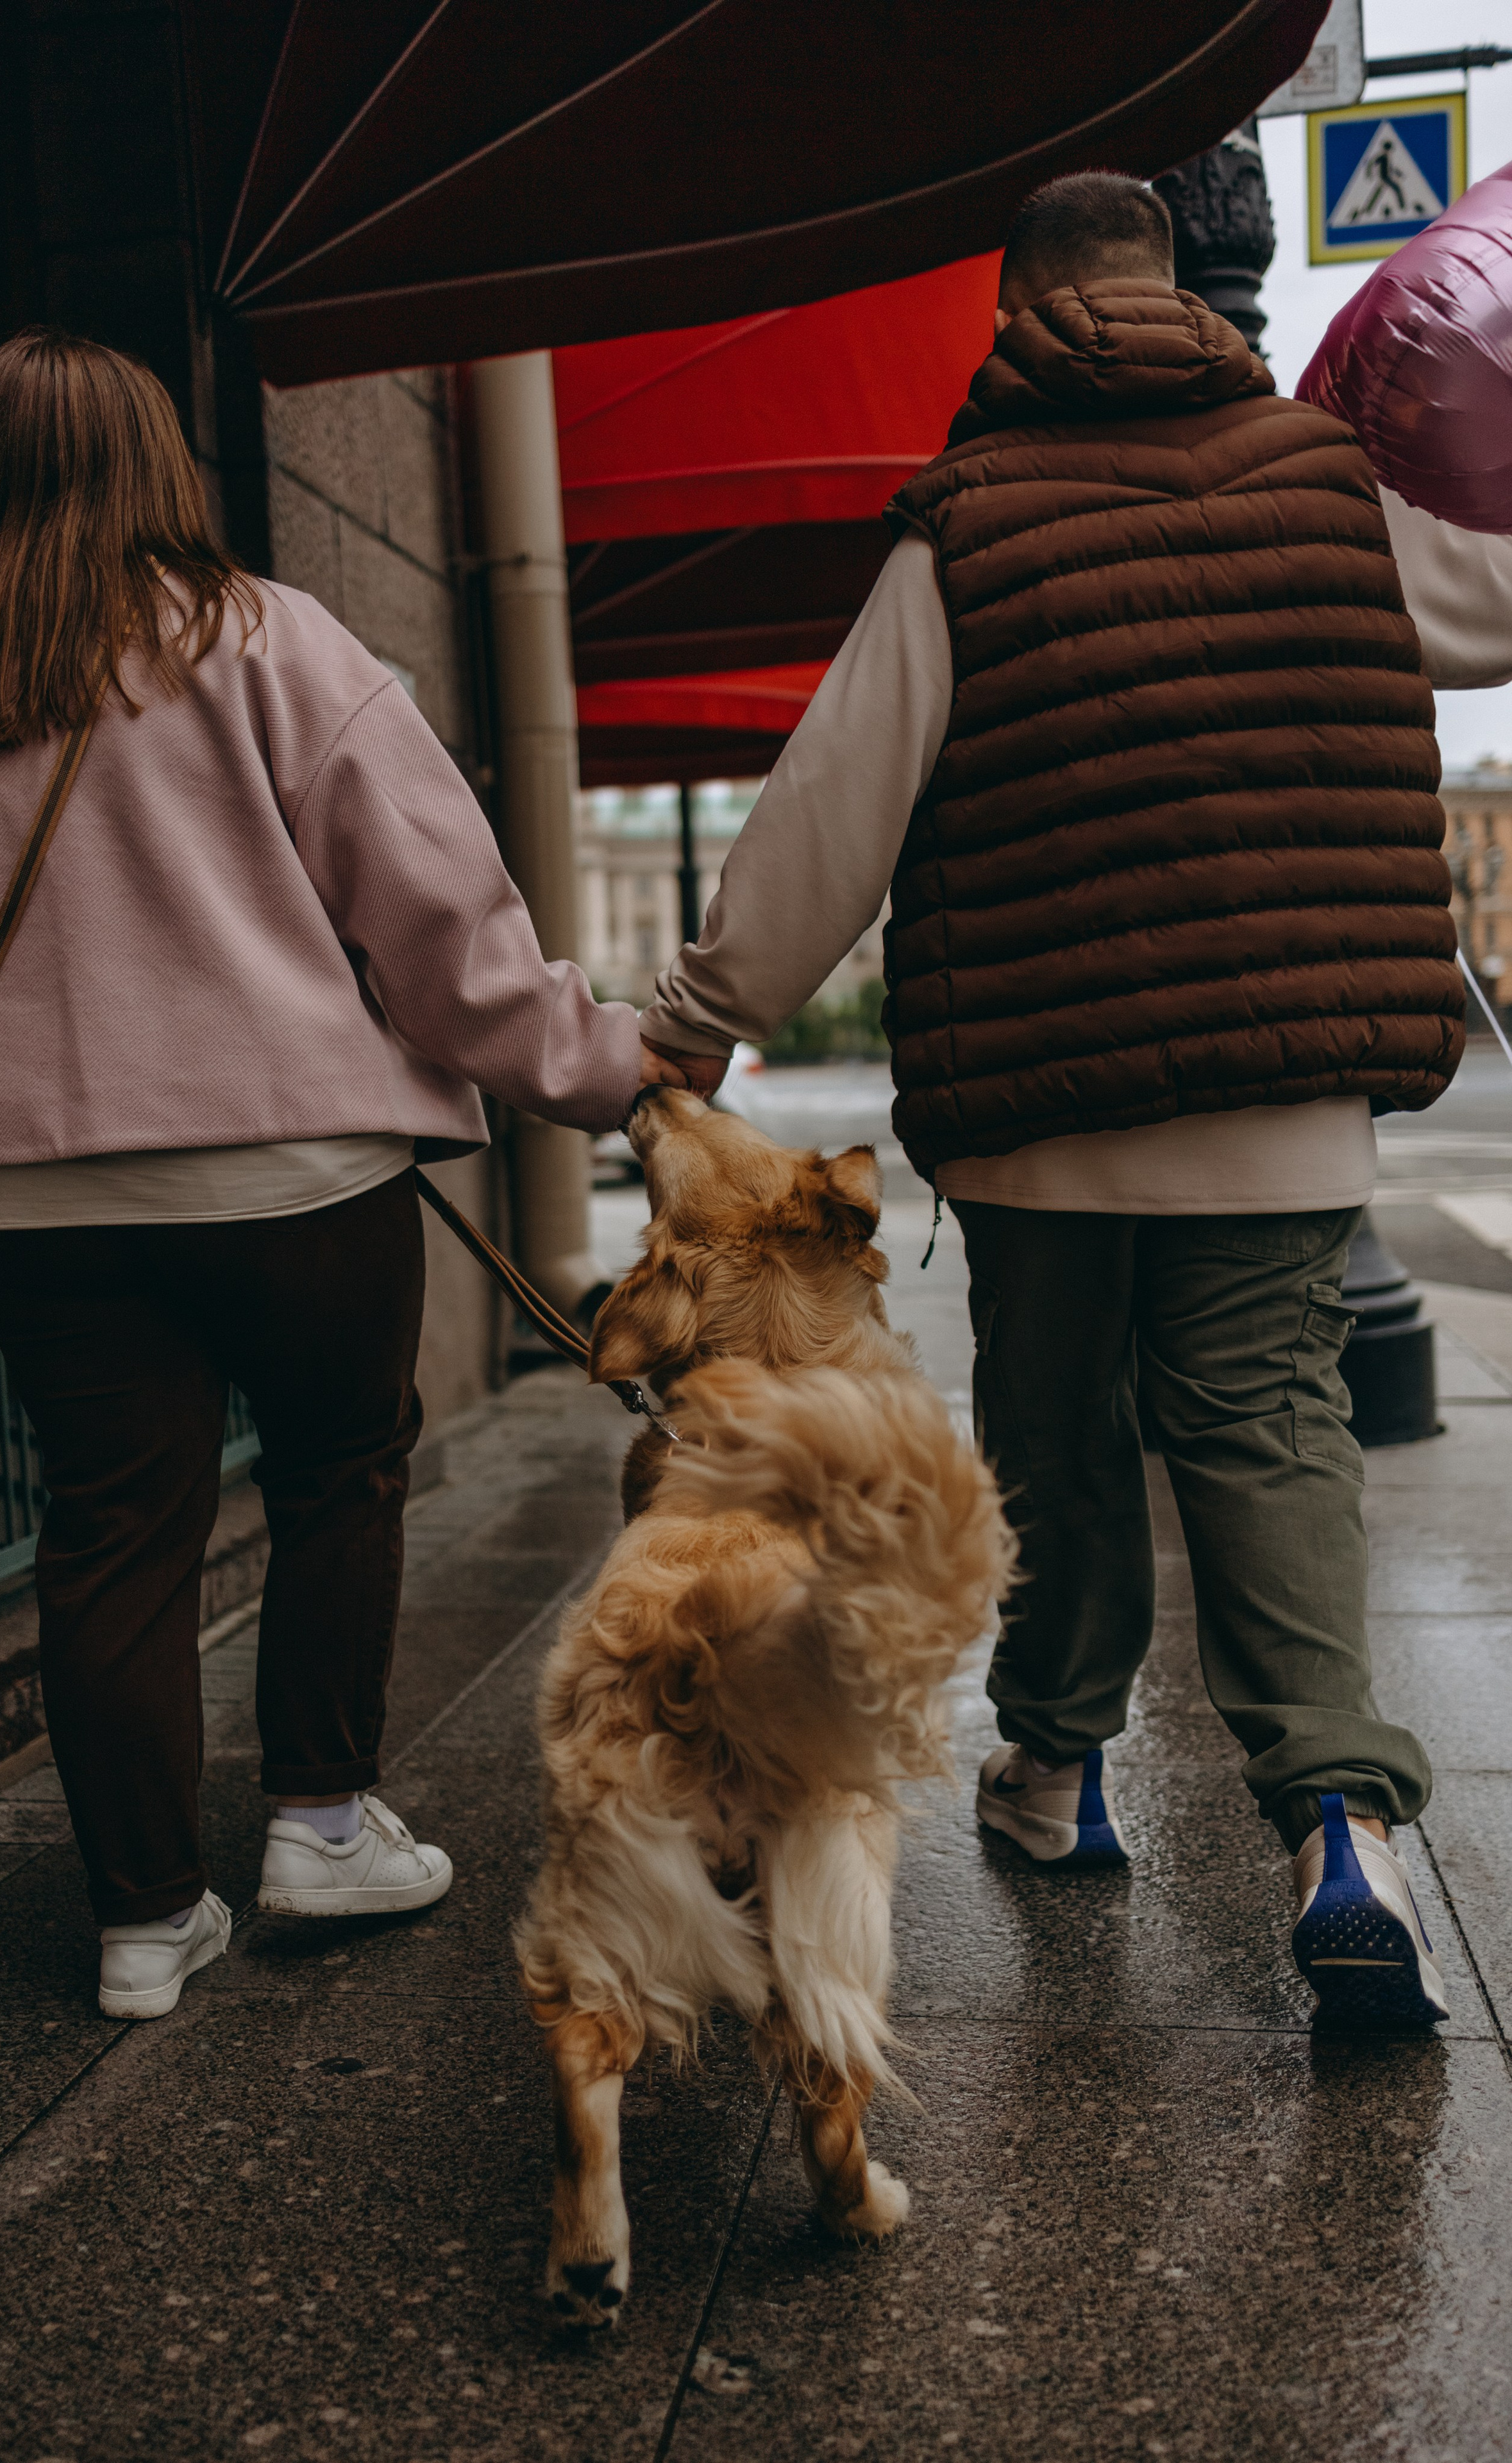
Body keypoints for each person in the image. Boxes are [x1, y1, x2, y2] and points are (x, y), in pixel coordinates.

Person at [640, 173, 1465, 2028]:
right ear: (1189, 294)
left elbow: (834, 808)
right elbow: (1485, 612)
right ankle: (1340, 1820)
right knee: (1270, 1430)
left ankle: (1060, 1770)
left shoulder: (969, 525)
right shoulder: (1333, 484)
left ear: (1014, 314)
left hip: (1042, 1107)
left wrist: (704, 1018)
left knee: (1058, 1434)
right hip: (1284, 1087)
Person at [0, 330, 682, 2022]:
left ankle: (142, 1921)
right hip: (292, 1177)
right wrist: (605, 1075)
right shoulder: (267, 645)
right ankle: (319, 1818)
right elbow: (447, 931)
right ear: (161, 464)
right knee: (338, 1472)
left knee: (110, 1532)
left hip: (36, 1198)